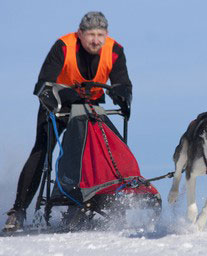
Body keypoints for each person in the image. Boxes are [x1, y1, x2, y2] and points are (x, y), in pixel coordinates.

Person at [3, 11, 132, 232]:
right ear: (79, 34)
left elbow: (123, 83)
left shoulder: (114, 51)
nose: (95, 40)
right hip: (57, 105)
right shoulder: (63, 46)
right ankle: (18, 211)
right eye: (90, 34)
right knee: (42, 150)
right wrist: (65, 97)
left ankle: (96, 200)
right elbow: (43, 84)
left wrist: (122, 96)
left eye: (100, 34)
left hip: (90, 108)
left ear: (107, 34)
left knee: (102, 150)